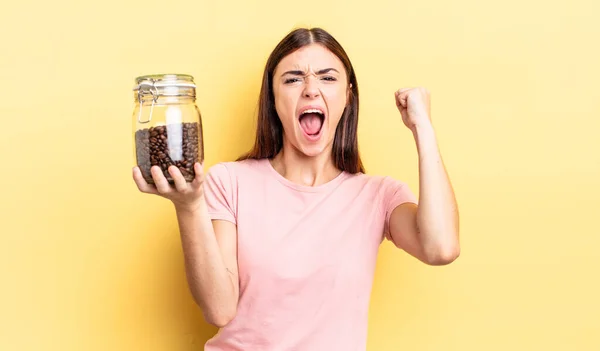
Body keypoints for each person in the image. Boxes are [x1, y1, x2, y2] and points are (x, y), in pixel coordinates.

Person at [133, 27, 460, 350]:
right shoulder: (229, 182)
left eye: (327, 78)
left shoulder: (379, 196)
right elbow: (219, 309)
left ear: (348, 95)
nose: (310, 90)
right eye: (292, 79)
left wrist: (422, 128)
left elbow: (441, 248)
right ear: (273, 99)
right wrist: (189, 207)